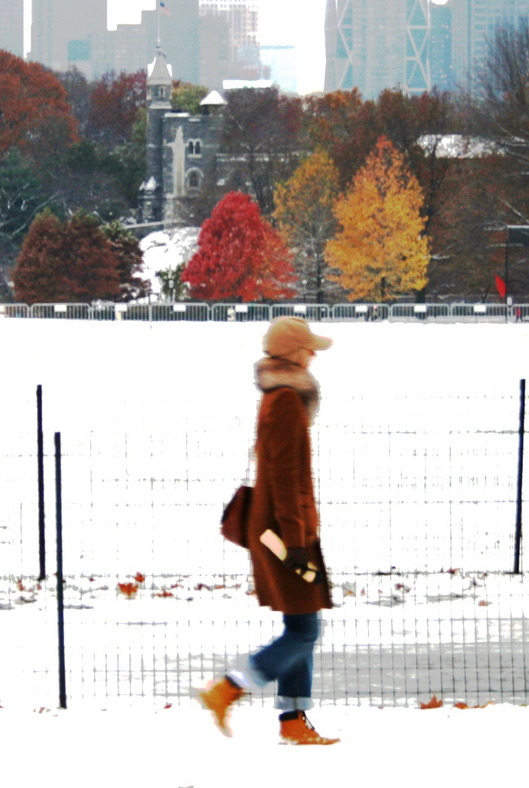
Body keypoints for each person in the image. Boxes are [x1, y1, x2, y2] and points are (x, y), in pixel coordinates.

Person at [198, 316, 339, 745]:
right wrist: (296, 543)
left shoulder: (282, 398)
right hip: (283, 533)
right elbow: (284, 477)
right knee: (305, 630)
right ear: (294, 352)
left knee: (302, 622)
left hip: (284, 527)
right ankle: (228, 688)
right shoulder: (284, 403)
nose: (314, 354)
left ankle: (293, 720)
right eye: (308, 347)